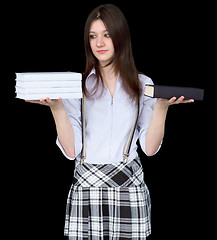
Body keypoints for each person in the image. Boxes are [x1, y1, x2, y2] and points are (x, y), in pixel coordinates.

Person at [26, 4, 194, 240]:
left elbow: (150, 148)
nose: (99, 43)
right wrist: (56, 108)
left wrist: (162, 108)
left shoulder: (142, 84)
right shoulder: (79, 86)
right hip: (87, 188)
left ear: (121, 36)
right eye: (93, 36)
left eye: (107, 34)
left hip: (129, 186)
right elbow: (72, 151)